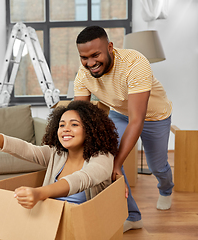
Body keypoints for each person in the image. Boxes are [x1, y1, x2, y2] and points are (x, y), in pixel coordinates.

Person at [73, 26, 174, 232]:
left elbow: (138, 120)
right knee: (108, 160)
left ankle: (166, 189)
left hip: (154, 117)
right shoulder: (84, 74)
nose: (90, 63)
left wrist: (118, 163)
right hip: (120, 113)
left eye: (95, 55)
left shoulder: (135, 63)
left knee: (158, 167)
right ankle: (133, 216)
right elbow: (79, 115)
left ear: (110, 47)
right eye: (84, 57)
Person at [0, 100, 119, 209]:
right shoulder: (57, 154)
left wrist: (40, 193)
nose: (65, 129)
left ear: (91, 130)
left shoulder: (103, 158)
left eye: (74, 124)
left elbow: (81, 179)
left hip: (84, 226)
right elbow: (27, 149)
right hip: (51, 221)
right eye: (62, 125)